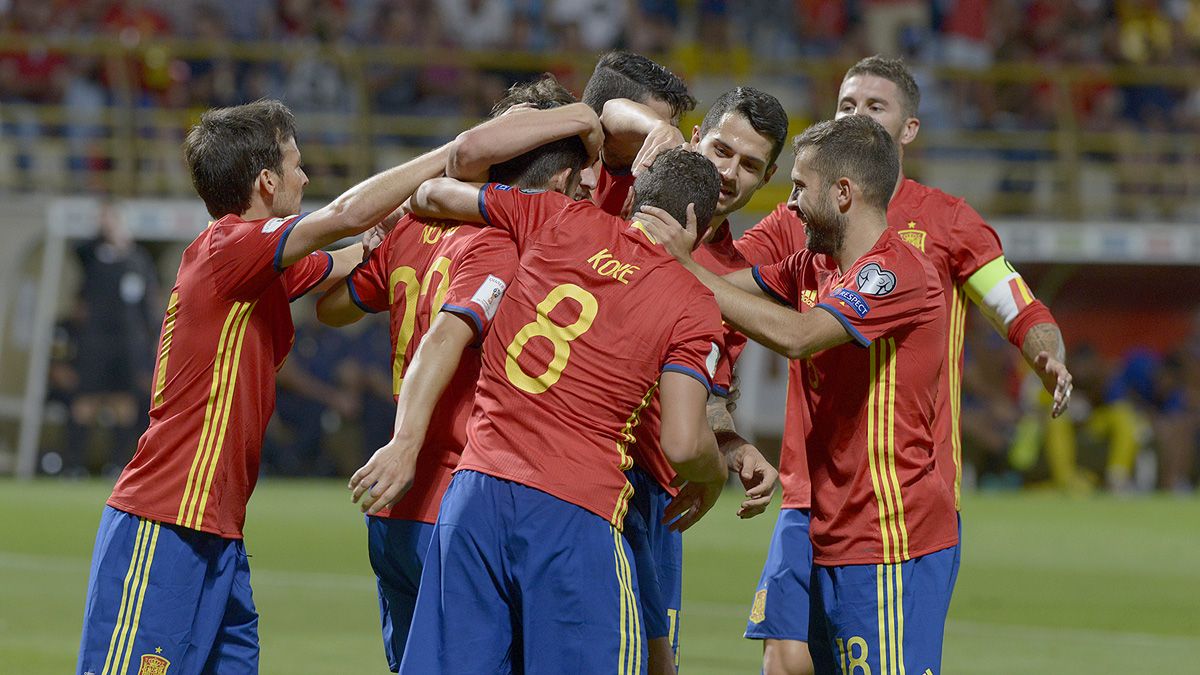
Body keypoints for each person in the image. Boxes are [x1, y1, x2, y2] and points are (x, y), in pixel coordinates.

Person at [75, 99, 454, 675]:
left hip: (220, 532)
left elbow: (355, 247)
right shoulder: (230, 247)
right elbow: (347, 215)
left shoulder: (258, 266)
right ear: (267, 181)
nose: (305, 177)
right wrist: (452, 156)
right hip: (166, 521)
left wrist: (403, 221)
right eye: (297, 165)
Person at [732, 56, 1074, 675]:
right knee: (784, 660)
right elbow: (726, 283)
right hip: (805, 492)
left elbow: (1016, 305)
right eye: (845, 105)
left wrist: (1045, 348)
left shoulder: (945, 222)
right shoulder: (801, 217)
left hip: (894, 502)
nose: (856, 116)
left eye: (874, 106)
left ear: (908, 131)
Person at [640, 114, 959, 675]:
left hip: (887, 534)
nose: (787, 205)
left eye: (799, 187)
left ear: (841, 194)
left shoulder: (896, 272)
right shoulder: (811, 267)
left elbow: (798, 337)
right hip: (819, 520)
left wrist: (685, 262)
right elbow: (710, 292)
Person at [396, 148, 728, 674]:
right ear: (699, 227)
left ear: (635, 196)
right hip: (574, 515)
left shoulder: (557, 214)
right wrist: (714, 474)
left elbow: (432, 192)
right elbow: (684, 443)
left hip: (474, 496)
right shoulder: (693, 302)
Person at [316, 75, 602, 672]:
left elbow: (335, 307)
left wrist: (375, 248)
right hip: (451, 505)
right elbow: (448, 335)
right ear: (554, 180)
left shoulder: (413, 226)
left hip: (394, 519)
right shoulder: (498, 243)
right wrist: (406, 441)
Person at [600, 85, 790, 673]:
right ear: (692, 140)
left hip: (659, 493)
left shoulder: (732, 279)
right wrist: (650, 127)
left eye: (750, 164)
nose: (729, 172)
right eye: (721, 149)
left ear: (768, 178)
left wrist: (731, 445)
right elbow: (600, 108)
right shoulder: (629, 198)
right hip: (587, 473)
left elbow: (708, 393)